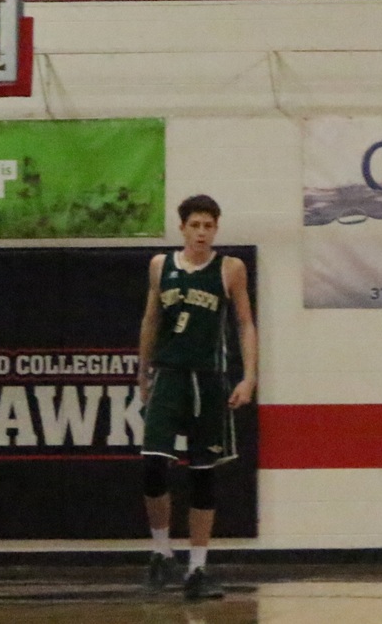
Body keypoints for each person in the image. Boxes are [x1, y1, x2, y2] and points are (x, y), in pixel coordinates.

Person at [139, 192, 258, 602]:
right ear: (183, 228)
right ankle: (161, 552)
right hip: (169, 375)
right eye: (195, 225)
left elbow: (245, 323)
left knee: (203, 473)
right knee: (153, 465)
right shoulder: (161, 266)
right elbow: (151, 319)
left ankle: (198, 567)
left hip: (209, 379)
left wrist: (249, 377)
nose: (202, 232)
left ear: (216, 229)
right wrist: (142, 373)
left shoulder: (230, 268)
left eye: (209, 226)